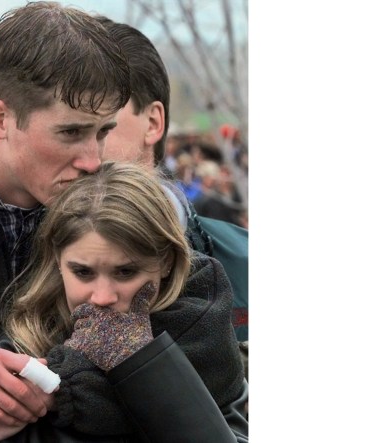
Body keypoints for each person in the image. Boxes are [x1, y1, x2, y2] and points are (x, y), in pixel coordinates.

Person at [0, 3, 246, 441]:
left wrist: (42, 391)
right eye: (71, 133)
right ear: (0, 119)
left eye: (102, 132)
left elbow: (202, 361)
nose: (93, 160)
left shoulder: (113, 204)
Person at [0, 162, 247, 442]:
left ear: (166, 262)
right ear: (57, 260)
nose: (103, 298)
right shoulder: (25, 332)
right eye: (83, 273)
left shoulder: (201, 324)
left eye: (126, 272)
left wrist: (47, 394)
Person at [96, 16, 249, 341]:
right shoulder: (29, 256)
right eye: (67, 127)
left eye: (101, 123)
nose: (81, 147)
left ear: (153, 123)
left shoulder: (242, 262)